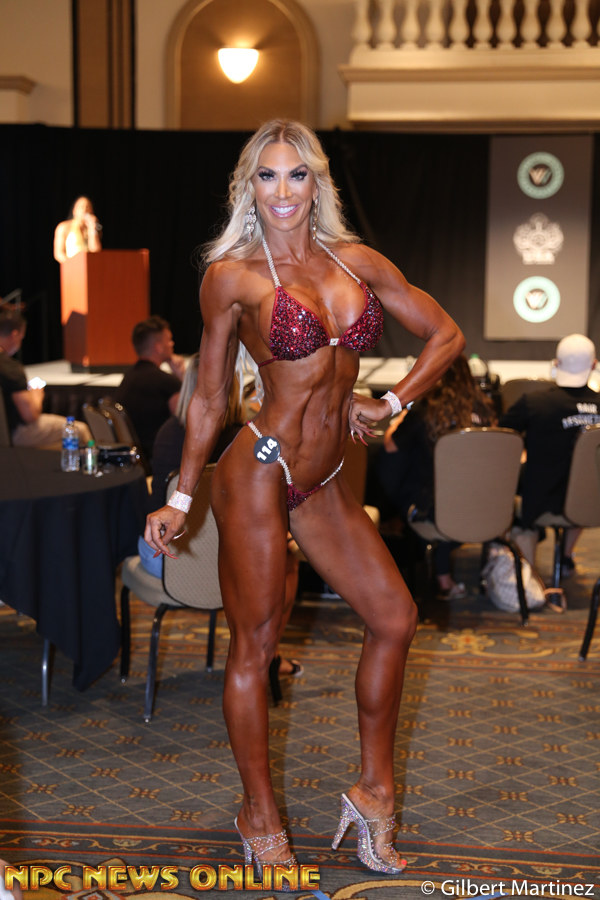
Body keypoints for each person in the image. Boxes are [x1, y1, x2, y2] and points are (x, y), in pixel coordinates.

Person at [145, 119, 464, 877]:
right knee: (255, 645)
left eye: (296, 175)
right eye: (267, 175)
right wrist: (182, 499)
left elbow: (445, 334)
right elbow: (209, 396)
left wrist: (393, 402)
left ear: (316, 183)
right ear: (247, 188)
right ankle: (258, 813)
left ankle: (373, 791)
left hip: (322, 480)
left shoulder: (356, 261)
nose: (282, 191)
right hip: (258, 470)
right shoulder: (231, 277)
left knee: (395, 618)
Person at [139, 353, 303, 684]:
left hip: (166, 557)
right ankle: (267, 654)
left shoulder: (167, 432)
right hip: (230, 565)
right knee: (287, 561)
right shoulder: (248, 441)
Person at [380, 353, 497, 599]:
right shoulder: (486, 409)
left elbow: (390, 445)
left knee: (410, 476)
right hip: (485, 507)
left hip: (436, 510)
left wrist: (399, 420)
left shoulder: (426, 410)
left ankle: (396, 527)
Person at [499, 333, 599, 579]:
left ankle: (527, 579)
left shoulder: (534, 403)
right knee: (586, 482)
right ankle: (566, 555)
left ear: (556, 364)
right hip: (591, 501)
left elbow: (499, 438)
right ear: (594, 365)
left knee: (516, 491)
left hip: (541, 499)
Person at [0, 309, 90, 448]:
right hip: (14, 433)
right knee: (79, 431)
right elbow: (30, 415)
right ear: (15, 334)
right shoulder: (10, 368)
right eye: (21, 338)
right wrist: (37, 394)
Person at [114, 316, 185, 468]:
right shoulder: (167, 382)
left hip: (131, 457)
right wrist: (182, 377)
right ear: (159, 347)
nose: (172, 344)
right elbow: (187, 420)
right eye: (169, 340)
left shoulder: (128, 377)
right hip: (158, 459)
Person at [53, 196, 102, 263]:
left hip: (89, 265)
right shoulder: (64, 227)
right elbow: (59, 254)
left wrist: (92, 229)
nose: (85, 210)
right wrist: (71, 264)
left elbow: (95, 252)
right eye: (81, 207)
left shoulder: (92, 229)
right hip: (71, 265)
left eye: (87, 207)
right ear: (74, 211)